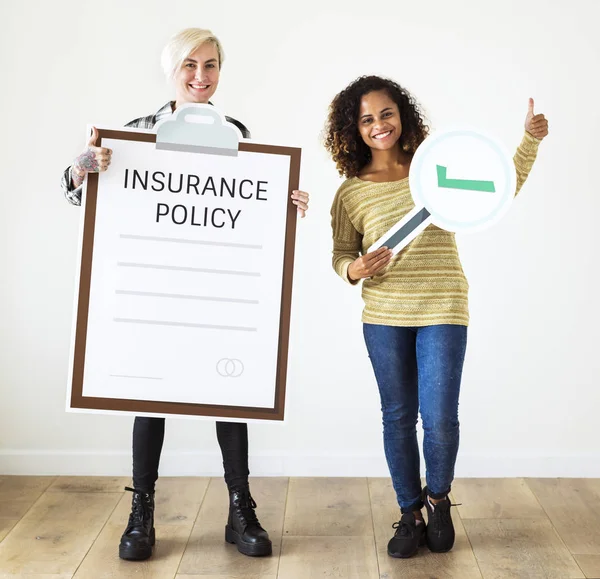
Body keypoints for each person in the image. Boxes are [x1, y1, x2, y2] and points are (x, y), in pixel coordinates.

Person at [61, 28, 309, 561]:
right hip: (155, 291)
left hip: (216, 289)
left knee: (232, 391)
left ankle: (240, 507)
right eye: (190, 65)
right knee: (150, 396)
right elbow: (72, 189)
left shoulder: (237, 131)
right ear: (171, 71)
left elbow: (248, 210)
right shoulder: (131, 134)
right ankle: (141, 510)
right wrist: (87, 164)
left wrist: (284, 203)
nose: (201, 76)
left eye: (212, 65)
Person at [325, 75, 548, 559]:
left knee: (441, 418)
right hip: (384, 314)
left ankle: (439, 499)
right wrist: (354, 269)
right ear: (353, 129)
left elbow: (497, 192)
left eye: (386, 113)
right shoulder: (350, 194)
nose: (379, 125)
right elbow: (341, 253)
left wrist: (529, 140)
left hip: (444, 305)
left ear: (401, 114)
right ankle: (409, 513)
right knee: (398, 417)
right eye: (366, 119)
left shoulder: (434, 170)